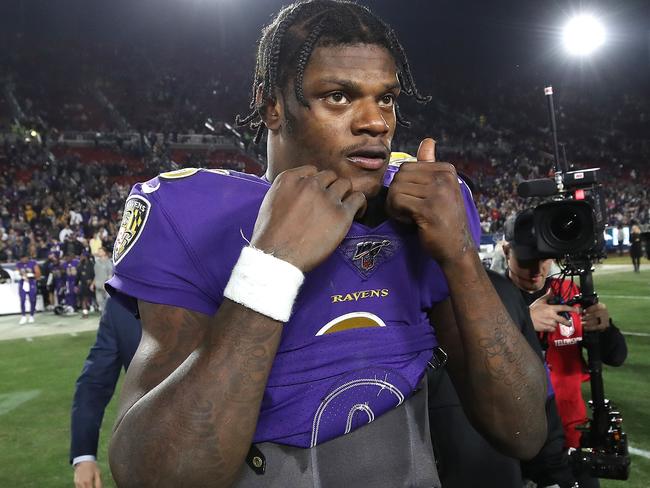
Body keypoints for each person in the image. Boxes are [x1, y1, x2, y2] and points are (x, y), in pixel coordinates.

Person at [106, 2, 547, 486]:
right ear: (272, 106)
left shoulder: (425, 209)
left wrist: (460, 255)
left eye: (387, 99)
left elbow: (522, 431)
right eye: (339, 97)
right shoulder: (188, 214)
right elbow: (154, 475)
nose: (375, 122)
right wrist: (271, 267)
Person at [503, 209, 628, 488]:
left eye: (545, 259)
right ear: (504, 250)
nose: (537, 271)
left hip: (573, 441)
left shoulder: (569, 293)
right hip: (516, 444)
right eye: (527, 260)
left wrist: (605, 328)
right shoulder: (491, 295)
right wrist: (524, 321)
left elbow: (617, 356)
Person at [429, 269, 577, 488]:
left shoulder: (502, 290)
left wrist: (552, 474)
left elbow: (536, 396)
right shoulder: (375, 295)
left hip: (497, 471)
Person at [70, 297, 142, 488]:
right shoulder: (121, 303)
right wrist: (84, 455)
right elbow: (95, 382)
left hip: (222, 454)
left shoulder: (221, 288)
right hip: (148, 452)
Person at [16, 252, 41, 324]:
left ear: (27, 257)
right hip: (23, 283)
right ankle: (23, 316)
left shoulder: (33, 263)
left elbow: (38, 273)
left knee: (32, 299)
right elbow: (17, 273)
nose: (23, 260)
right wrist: (23, 276)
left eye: (24, 258)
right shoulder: (18, 264)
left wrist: (30, 275)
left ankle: (31, 315)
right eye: (21, 258)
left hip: (31, 282)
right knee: (22, 300)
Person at [93, 248, 113, 313]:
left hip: (105, 286)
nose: (99, 252)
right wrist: (93, 283)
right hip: (98, 285)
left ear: (105, 252)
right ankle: (104, 314)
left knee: (108, 301)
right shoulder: (97, 262)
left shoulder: (108, 262)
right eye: (98, 251)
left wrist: (106, 284)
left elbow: (110, 275)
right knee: (99, 300)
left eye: (100, 251)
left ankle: (108, 315)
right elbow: (96, 274)